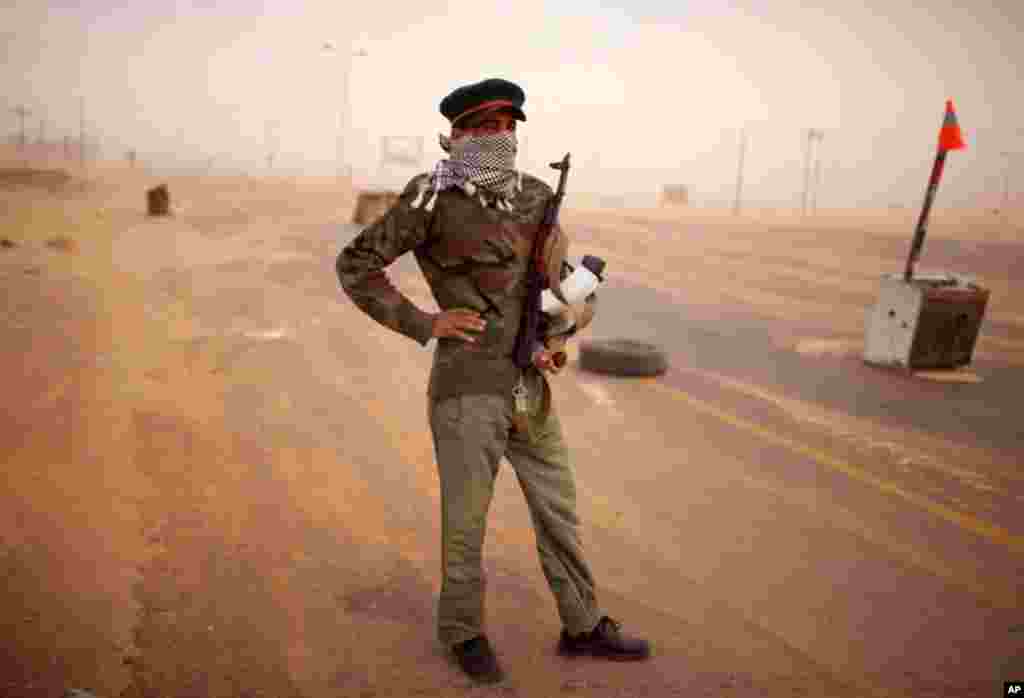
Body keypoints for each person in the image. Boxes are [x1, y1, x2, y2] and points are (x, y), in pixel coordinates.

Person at [336, 78, 650, 684]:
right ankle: (464, 632)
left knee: (559, 511)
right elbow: (356, 266)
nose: (497, 137)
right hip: (466, 390)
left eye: (507, 127)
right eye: (482, 127)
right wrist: (426, 322)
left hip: (528, 387)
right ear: (455, 135)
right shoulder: (430, 199)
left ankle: (582, 624)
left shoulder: (535, 198)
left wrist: (556, 341)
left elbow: (558, 289)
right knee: (467, 523)